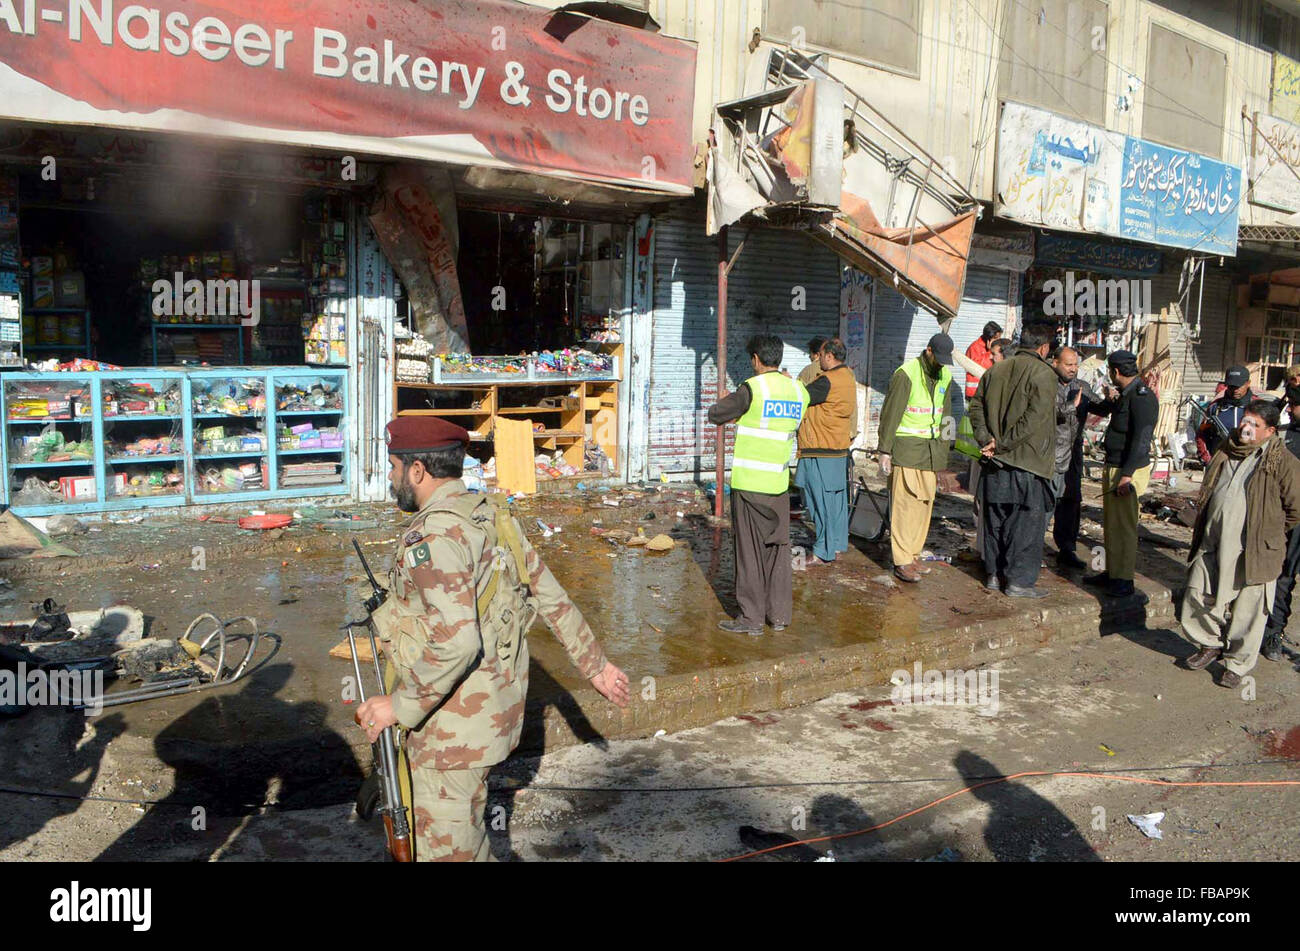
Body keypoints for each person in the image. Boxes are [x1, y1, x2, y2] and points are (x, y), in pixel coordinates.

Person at [356, 416, 631, 861]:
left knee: (447, 853)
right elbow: (551, 596)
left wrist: (399, 706)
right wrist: (595, 666)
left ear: (418, 470)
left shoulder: (433, 537)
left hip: (451, 732)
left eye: (392, 466)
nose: (390, 478)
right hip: (493, 717)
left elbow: (458, 641)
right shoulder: (492, 515)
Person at [1179, 401, 1300, 688]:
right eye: (1245, 421)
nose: (1245, 428)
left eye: (1254, 425)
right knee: (1198, 592)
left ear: (1270, 431)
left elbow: (1296, 509)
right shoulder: (1226, 448)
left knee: (1249, 609)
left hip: (1255, 549)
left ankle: (1237, 664)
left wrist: (1268, 532)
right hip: (1214, 540)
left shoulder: (1283, 462)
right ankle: (1209, 643)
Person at [708, 334, 810, 634]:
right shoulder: (797, 389)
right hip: (779, 485)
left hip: (751, 485)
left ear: (755, 359)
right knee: (778, 550)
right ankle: (778, 617)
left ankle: (751, 619)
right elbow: (817, 392)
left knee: (749, 552)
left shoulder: (752, 388)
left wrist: (732, 399)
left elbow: (716, 414)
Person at [967, 322, 1058, 598]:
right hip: (1026, 464)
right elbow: (1033, 419)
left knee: (995, 523)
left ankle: (994, 575)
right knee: (1026, 526)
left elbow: (976, 407)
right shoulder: (1044, 375)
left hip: (995, 463)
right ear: (1043, 348)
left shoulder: (995, 370)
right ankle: (1018, 582)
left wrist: (986, 440)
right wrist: (1002, 443)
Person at [877, 333, 955, 583]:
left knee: (924, 505)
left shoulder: (946, 375)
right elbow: (891, 414)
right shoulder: (906, 374)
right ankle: (901, 560)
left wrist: (945, 453)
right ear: (928, 350)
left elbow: (948, 417)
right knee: (904, 506)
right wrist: (884, 450)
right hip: (907, 449)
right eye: (938, 358)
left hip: (931, 451)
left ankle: (913, 553)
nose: (941, 364)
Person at [1083, 350, 1159, 599]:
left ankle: (1124, 580)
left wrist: (1127, 475)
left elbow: (1141, 440)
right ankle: (1112, 572)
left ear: (1115, 372)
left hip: (1129, 469)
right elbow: (1104, 410)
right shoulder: (1126, 394)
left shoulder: (1142, 398)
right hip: (1115, 465)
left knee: (1124, 527)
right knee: (1112, 525)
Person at [797, 337, 855, 564]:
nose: (818, 359)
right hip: (838, 448)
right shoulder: (848, 377)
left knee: (820, 502)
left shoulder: (827, 381)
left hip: (820, 449)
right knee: (836, 502)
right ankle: (837, 544)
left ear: (829, 356)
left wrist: (788, 383)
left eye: (820, 355)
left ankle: (822, 550)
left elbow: (800, 397)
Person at [953, 336, 1010, 559]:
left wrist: (997, 442)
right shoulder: (990, 377)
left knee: (991, 498)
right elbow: (977, 410)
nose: (990, 357)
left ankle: (989, 549)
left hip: (1000, 450)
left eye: (995, 354)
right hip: (984, 447)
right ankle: (982, 543)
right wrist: (986, 439)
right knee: (979, 493)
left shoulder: (1007, 381)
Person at [1051, 347, 1098, 570]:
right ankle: (1028, 551)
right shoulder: (1047, 385)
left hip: (1073, 456)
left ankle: (1067, 549)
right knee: (1045, 502)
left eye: (1076, 365)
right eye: (1068, 364)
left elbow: (1100, 405)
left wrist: (1115, 400)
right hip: (1051, 454)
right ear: (1055, 363)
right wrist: (1072, 406)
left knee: (1071, 503)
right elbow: (1046, 412)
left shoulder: (1082, 387)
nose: (1073, 369)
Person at [1261, 395, 1300, 663]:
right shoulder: (1287, 436)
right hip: (1291, 518)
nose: (1291, 410)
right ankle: (1273, 632)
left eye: (1294, 406)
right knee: (1283, 575)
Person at [1196, 365, 1258, 464]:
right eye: (1232, 386)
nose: (1235, 390)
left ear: (1248, 383)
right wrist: (1206, 457)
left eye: (1239, 386)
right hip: (1220, 462)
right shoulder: (1215, 407)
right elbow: (1202, 433)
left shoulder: (1259, 407)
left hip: (1249, 463)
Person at [964, 321, 1003, 400]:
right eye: (996, 338)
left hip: (986, 390)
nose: (998, 340)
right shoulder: (975, 347)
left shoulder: (994, 348)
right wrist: (990, 353)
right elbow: (976, 367)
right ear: (989, 338)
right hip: (974, 392)